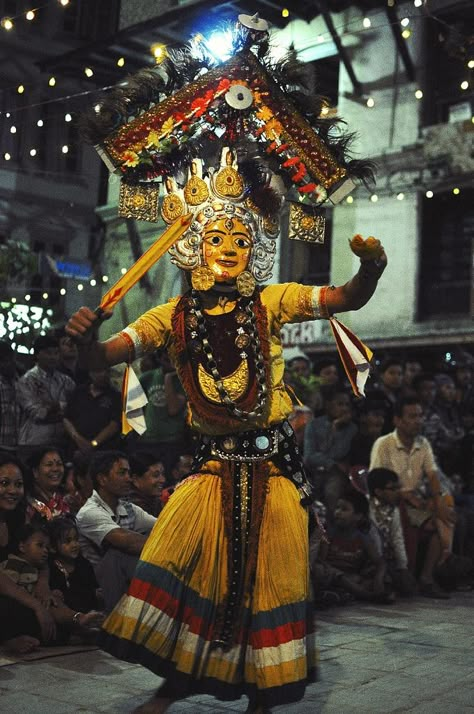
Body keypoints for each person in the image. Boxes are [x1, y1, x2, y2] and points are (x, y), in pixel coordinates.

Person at [66, 17, 387, 714]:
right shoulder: (167, 316)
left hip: (270, 470)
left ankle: (265, 698)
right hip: (211, 471)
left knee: (270, 580)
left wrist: (371, 267)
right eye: (214, 236)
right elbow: (101, 359)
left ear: (254, 247)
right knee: (184, 568)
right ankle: (172, 684)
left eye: (239, 236)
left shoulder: (271, 301)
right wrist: (81, 338)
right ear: (196, 249)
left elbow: (345, 298)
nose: (228, 244)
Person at [369, 397, 455, 596]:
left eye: (420, 416)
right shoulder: (384, 444)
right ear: (397, 420)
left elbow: (432, 474)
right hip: (392, 501)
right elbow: (377, 481)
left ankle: (430, 574)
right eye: (412, 416)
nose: (418, 420)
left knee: (447, 513)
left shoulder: (422, 443)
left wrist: (439, 500)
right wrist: (405, 495)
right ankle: (427, 576)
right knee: (436, 525)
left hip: (415, 501)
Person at [75, 451, 156, 613]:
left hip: (126, 580)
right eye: (121, 473)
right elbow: (126, 541)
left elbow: (162, 527)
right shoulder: (89, 512)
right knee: (117, 555)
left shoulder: (128, 507)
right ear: (102, 479)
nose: (128, 478)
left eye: (128, 473)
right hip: (98, 585)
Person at [1, 522, 104, 644]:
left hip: (37, 604)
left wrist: (51, 592)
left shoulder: (41, 568)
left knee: (53, 601)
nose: (45, 551)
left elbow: (44, 573)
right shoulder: (14, 565)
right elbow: (10, 590)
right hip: (18, 606)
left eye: (46, 547)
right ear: (22, 547)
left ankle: (78, 620)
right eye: (40, 546)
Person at [312, 488, 391, 605]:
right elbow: (322, 561)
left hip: (351, 578)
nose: (338, 512)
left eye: (344, 509)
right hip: (333, 576)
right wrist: (339, 575)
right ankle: (367, 596)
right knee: (319, 571)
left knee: (373, 579)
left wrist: (378, 579)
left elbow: (380, 563)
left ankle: (339, 595)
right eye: (337, 507)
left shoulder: (362, 538)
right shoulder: (329, 534)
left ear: (358, 516)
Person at [304, 388, 357, 518]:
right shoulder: (314, 425)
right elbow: (309, 456)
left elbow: (339, 452)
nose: (344, 408)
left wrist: (336, 428)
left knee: (332, 490)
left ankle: (332, 530)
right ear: (328, 405)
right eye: (340, 404)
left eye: (347, 405)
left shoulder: (351, 428)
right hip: (312, 471)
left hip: (335, 474)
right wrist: (332, 462)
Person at [17, 335, 75, 454]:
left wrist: (52, 407)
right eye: (48, 353)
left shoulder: (66, 381)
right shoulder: (27, 380)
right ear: (37, 355)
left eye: (56, 353)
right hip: (33, 442)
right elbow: (37, 413)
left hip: (60, 442)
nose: (53, 357)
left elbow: (75, 408)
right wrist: (62, 411)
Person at [367, 468, 416, 596]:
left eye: (398, 488)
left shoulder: (394, 511)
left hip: (387, 560)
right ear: (378, 491)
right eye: (392, 489)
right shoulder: (367, 508)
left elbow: (397, 539)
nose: (397, 492)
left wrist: (403, 567)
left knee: (408, 586)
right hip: (368, 559)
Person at [63, 366, 122, 457]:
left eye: (107, 371)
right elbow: (67, 418)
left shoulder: (116, 396)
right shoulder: (79, 392)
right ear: (91, 373)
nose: (104, 374)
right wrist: (78, 439)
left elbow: (114, 425)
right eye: (99, 371)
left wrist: (93, 444)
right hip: (76, 448)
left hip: (104, 451)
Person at [48, 516, 101, 613]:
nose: (74, 544)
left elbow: (94, 591)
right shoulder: (51, 569)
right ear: (52, 547)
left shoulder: (84, 564)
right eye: (67, 541)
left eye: (76, 539)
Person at [25, 447, 71, 523]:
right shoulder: (28, 503)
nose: (55, 469)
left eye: (59, 464)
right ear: (35, 472)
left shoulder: (67, 499)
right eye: (49, 465)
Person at [128, 453, 167, 517]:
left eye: (163, 474)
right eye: (156, 475)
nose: (163, 480)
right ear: (136, 479)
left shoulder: (155, 502)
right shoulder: (132, 507)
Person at [0, 340, 22, 453]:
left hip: (19, 444)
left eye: (10, 359)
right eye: (4, 360)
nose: (9, 363)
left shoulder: (19, 380)